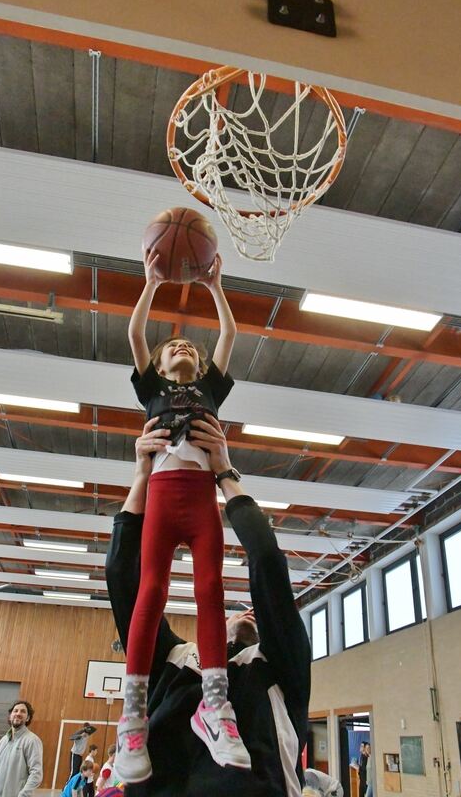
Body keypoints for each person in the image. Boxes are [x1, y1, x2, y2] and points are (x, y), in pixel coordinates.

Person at [106, 414, 311, 796]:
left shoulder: (279, 663)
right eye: (241, 612)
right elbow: (123, 578)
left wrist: (224, 473)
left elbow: (267, 561)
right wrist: (141, 475)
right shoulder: (176, 657)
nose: (249, 613)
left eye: (254, 614)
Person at [115, 246, 245, 784]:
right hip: (163, 498)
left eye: (190, 345)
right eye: (176, 347)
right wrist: (149, 283)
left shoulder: (210, 387)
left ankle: (215, 706)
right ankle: (132, 719)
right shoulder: (155, 389)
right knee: (151, 592)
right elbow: (135, 336)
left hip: (201, 500)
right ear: (162, 366)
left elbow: (230, 337)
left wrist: (216, 287)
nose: (184, 348)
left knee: (211, 588)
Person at [0, 700, 43, 797]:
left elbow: (36, 773)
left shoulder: (32, 740)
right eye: (15, 710)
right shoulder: (3, 741)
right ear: (10, 716)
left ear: (28, 718)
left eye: (23, 711)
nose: (18, 713)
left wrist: (23, 794)